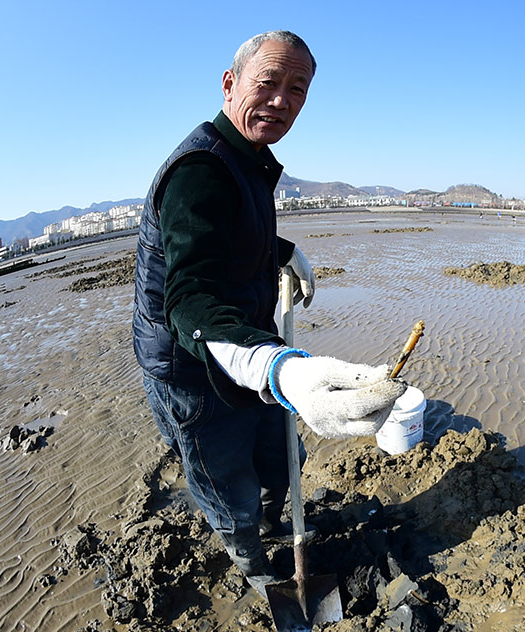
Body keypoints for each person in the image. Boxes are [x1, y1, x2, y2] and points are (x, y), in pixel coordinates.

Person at [132, 30, 406, 596]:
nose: (282, 100)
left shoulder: (249, 158)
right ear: (230, 84)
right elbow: (189, 296)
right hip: (192, 363)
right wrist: (281, 369)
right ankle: (252, 562)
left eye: (297, 90)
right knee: (225, 475)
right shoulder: (200, 171)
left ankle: (269, 521)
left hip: (251, 344)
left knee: (282, 453)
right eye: (269, 83)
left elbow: (233, 236)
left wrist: (282, 252)